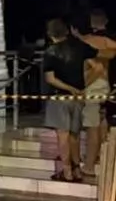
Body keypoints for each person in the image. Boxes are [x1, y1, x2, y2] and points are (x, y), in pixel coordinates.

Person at [42, 17, 98, 182]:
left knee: (63, 135)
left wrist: (70, 88)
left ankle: (67, 171)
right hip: (77, 97)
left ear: (50, 34)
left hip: (59, 97)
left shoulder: (50, 52)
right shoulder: (79, 47)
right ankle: (77, 169)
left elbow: (50, 78)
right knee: (74, 135)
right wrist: (83, 87)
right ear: (66, 31)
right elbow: (98, 67)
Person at [77, 9, 116, 172]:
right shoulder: (107, 41)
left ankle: (89, 165)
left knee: (92, 126)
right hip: (106, 85)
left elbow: (96, 68)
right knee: (101, 123)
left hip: (93, 86)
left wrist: (82, 87)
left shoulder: (87, 42)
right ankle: (99, 156)